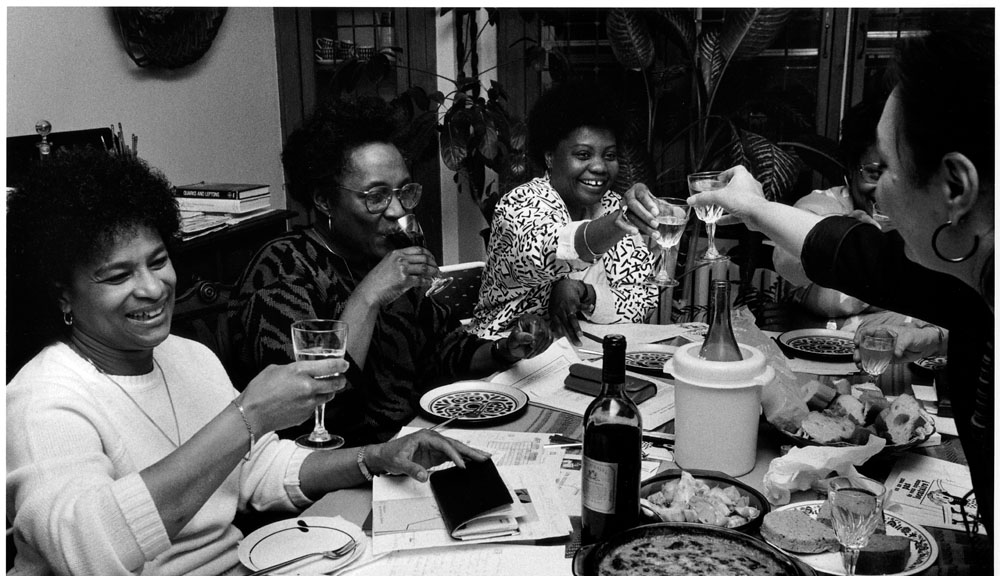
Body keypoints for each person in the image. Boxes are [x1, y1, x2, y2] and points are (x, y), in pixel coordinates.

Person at [5, 147, 490, 576]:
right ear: (62, 293)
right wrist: (248, 414)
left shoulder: (188, 357)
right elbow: (88, 554)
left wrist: (373, 458)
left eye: (157, 261)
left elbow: (256, 472)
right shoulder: (41, 399)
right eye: (117, 276)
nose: (151, 289)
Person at [642, 20, 993, 531]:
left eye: (888, 168)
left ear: (956, 187)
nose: (878, 195)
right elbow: (860, 257)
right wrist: (754, 208)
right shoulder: (972, 278)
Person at [229, 97, 551, 445]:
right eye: (376, 196)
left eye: (403, 192)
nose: (397, 210)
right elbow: (305, 407)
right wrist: (369, 294)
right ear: (324, 200)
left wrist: (506, 349)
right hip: (331, 466)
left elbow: (446, 351)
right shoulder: (284, 267)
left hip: (412, 444)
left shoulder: (389, 253)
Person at [469, 80, 657, 343]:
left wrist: (585, 293)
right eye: (583, 155)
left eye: (609, 155)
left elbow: (642, 299)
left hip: (585, 351)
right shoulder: (520, 205)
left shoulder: (613, 206)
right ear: (549, 156)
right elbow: (551, 250)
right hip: (503, 352)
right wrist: (620, 222)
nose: (600, 167)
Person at [776, 101, 949, 361]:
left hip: (910, 363)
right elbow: (829, 300)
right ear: (848, 170)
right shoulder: (818, 206)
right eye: (873, 172)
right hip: (826, 361)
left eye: (898, 173)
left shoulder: (930, 217)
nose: (885, 188)